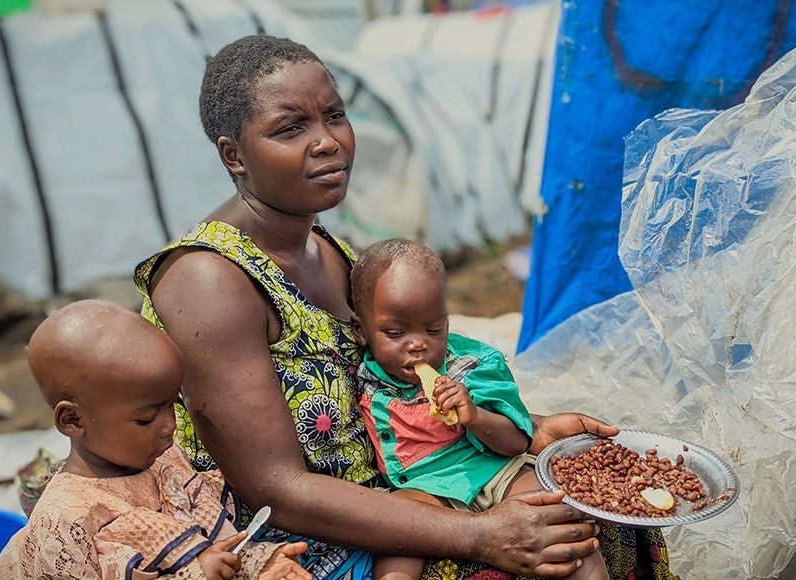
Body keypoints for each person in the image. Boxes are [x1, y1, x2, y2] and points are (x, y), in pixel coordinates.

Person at [133, 33, 676, 580]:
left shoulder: (327, 250)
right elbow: (276, 488)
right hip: (294, 542)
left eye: (334, 115)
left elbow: (395, 387)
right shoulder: (207, 279)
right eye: (290, 128)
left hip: (404, 487)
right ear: (234, 155)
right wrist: (480, 535)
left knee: (596, 513)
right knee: (546, 554)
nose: (328, 142)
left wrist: (527, 428)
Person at [0, 299, 312, 580]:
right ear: (72, 420)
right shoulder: (66, 519)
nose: (169, 427)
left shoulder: (163, 459)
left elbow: (213, 545)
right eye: (146, 418)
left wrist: (255, 562)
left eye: (172, 404)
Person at [349, 239, 607, 580]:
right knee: (395, 541)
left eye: (434, 329)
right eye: (395, 333)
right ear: (360, 331)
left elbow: (516, 441)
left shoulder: (474, 366)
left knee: (560, 523)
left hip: (497, 470)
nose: (417, 344)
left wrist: (474, 414)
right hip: (427, 489)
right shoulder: (363, 375)